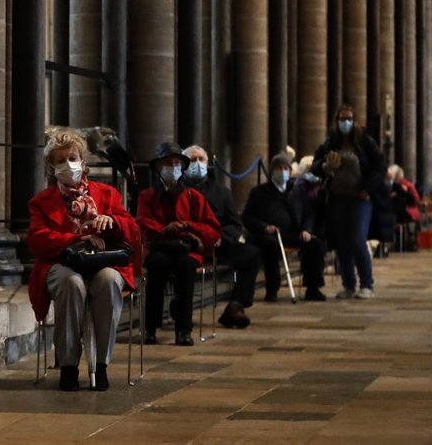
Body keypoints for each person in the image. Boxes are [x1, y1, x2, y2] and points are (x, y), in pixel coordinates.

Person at [27, 128, 139, 392]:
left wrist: (112, 222)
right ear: (51, 166)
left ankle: (101, 365)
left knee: (109, 280)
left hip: (103, 261)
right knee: (71, 283)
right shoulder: (41, 201)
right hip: (62, 263)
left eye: (73, 157)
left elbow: (132, 231)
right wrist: (73, 239)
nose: (69, 165)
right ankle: (68, 366)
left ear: (83, 161)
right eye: (61, 160)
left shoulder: (107, 194)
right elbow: (37, 239)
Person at [137, 142, 221, 346]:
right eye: (168, 163)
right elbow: (141, 223)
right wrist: (164, 229)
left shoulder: (193, 196)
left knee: (186, 267)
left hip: (185, 249)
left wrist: (188, 226)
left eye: (177, 163)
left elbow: (212, 229)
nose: (173, 167)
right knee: (157, 265)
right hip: (159, 247)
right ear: (158, 167)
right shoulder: (147, 196)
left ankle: (183, 329)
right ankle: (150, 327)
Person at [311, 104, 387, 300]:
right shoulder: (331, 142)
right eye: (342, 119)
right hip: (337, 198)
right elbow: (315, 165)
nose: (345, 122)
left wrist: (367, 188)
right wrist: (325, 166)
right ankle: (348, 284)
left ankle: (367, 284)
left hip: (359, 199)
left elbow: (379, 166)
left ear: (354, 121)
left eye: (349, 119)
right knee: (342, 243)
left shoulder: (363, 142)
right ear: (336, 122)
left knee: (357, 240)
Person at [182, 144, 257, 329]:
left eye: (201, 159)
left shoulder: (222, 192)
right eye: (192, 160)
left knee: (252, 254)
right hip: (191, 244)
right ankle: (181, 309)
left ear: (207, 164)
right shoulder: (178, 190)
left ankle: (235, 306)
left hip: (218, 243)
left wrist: (221, 237)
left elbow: (235, 224)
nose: (197, 163)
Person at [242, 154, 328, 302]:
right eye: (279, 168)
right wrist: (264, 227)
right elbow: (247, 217)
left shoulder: (296, 190)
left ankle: (313, 288)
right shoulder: (259, 192)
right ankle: (272, 289)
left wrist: (306, 229)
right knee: (271, 246)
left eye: (286, 168)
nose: (283, 171)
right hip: (267, 234)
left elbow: (308, 213)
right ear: (272, 171)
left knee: (315, 244)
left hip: (291, 232)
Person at [386, 164, 421, 251]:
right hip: (407, 210)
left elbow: (412, 200)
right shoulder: (399, 184)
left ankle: (397, 244)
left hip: (407, 211)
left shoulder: (402, 185)